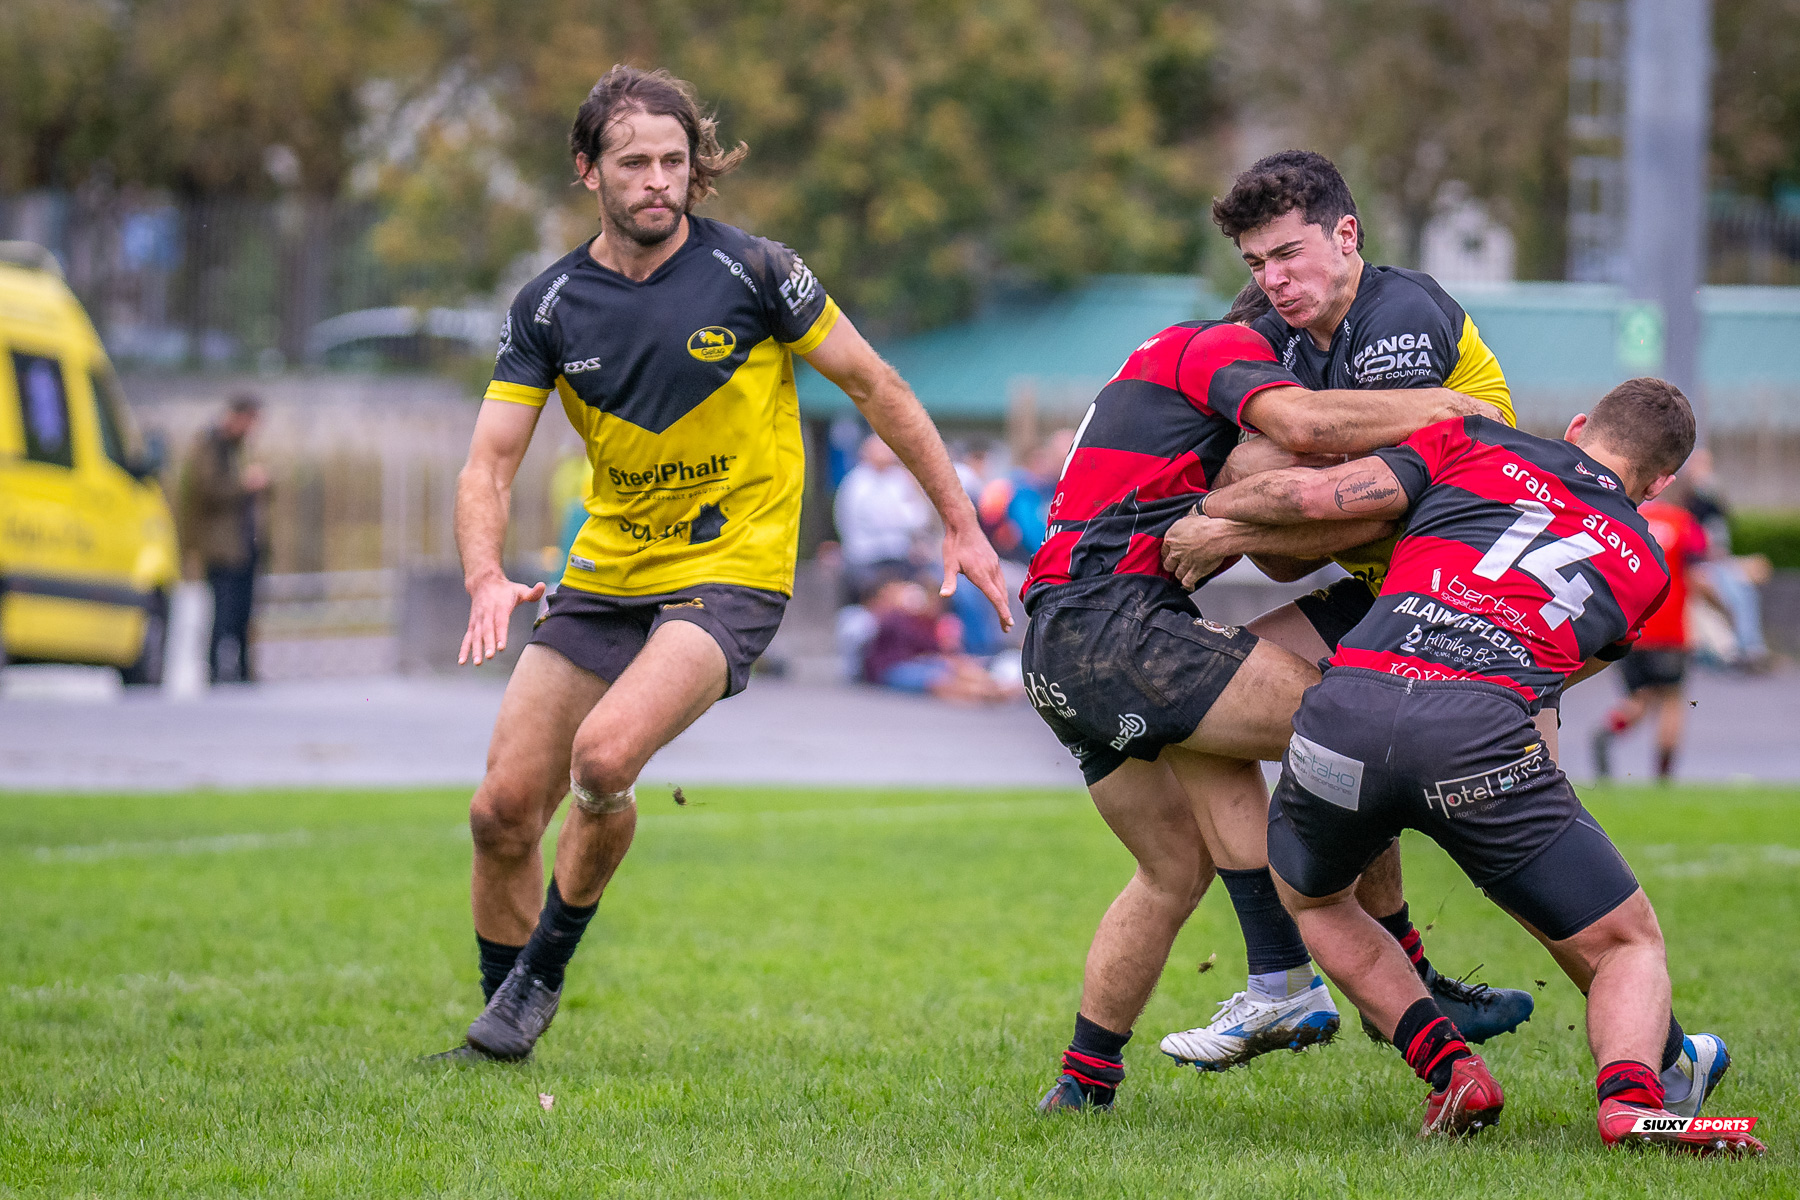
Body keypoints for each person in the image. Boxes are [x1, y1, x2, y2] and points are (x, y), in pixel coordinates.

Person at [440, 65, 1010, 1062]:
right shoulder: (549, 305)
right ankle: (503, 1029)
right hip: (607, 568)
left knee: (606, 759)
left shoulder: (756, 271)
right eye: (634, 163)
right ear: (588, 172)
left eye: (674, 161)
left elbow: (875, 385)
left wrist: (958, 518)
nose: (658, 180)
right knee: (498, 812)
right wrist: (486, 574)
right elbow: (490, 460)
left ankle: (537, 981)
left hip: (732, 568)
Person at [1171, 379, 1761, 1155]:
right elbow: (1556, 673)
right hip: (1475, 738)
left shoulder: (1477, 442)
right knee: (1625, 943)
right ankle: (1632, 1105)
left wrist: (1209, 519)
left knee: (1316, 902)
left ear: (1578, 425)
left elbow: (1323, 498)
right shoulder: (1646, 567)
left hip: (1346, 707)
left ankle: (1452, 1071)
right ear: (1659, 484)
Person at [1026, 286, 1506, 1111]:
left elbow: (1278, 521)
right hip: (1117, 628)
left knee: (1170, 869)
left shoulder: (1166, 403)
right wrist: (1447, 411)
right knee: (1354, 727)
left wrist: (1253, 516)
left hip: (1063, 642)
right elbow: (1308, 430)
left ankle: (1083, 1081)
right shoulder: (1206, 346)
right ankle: (1387, 973)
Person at [1169, 149, 1533, 1049]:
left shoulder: (1398, 315)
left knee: (1530, 859)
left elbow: (1368, 498)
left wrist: (1232, 527)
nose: (1274, 279)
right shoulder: (1282, 335)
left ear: (1347, 235)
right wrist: (1265, 497)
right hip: (1384, 585)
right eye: (1257, 264)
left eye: (1290, 254)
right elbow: (1308, 545)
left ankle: (1658, 1039)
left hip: (1480, 601)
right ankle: (1303, 973)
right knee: (1197, 703)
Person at [1590, 495, 1711, 782]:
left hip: (1631, 627)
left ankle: (1606, 733)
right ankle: (1663, 777)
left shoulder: (1625, 520)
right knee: (1671, 699)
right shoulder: (1682, 521)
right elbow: (1696, 573)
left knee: (1639, 698)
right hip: (1670, 632)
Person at [177, 393, 268, 683]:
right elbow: (206, 490)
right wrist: (245, 485)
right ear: (237, 416)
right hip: (221, 547)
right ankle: (216, 671)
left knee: (244, 612)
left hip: (244, 544)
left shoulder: (239, 449)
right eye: (250, 421)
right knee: (222, 611)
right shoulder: (210, 445)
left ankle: (242, 671)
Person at [860, 578, 1016, 703]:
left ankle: (995, 686)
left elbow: (932, 649)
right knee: (938, 678)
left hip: (918, 661)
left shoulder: (928, 620)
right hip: (892, 667)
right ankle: (984, 693)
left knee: (956, 666)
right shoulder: (889, 616)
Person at [833, 433, 933, 601]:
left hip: (900, 556)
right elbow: (864, 520)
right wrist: (898, 518)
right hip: (865, 558)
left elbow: (920, 517)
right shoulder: (855, 483)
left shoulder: (900, 479)